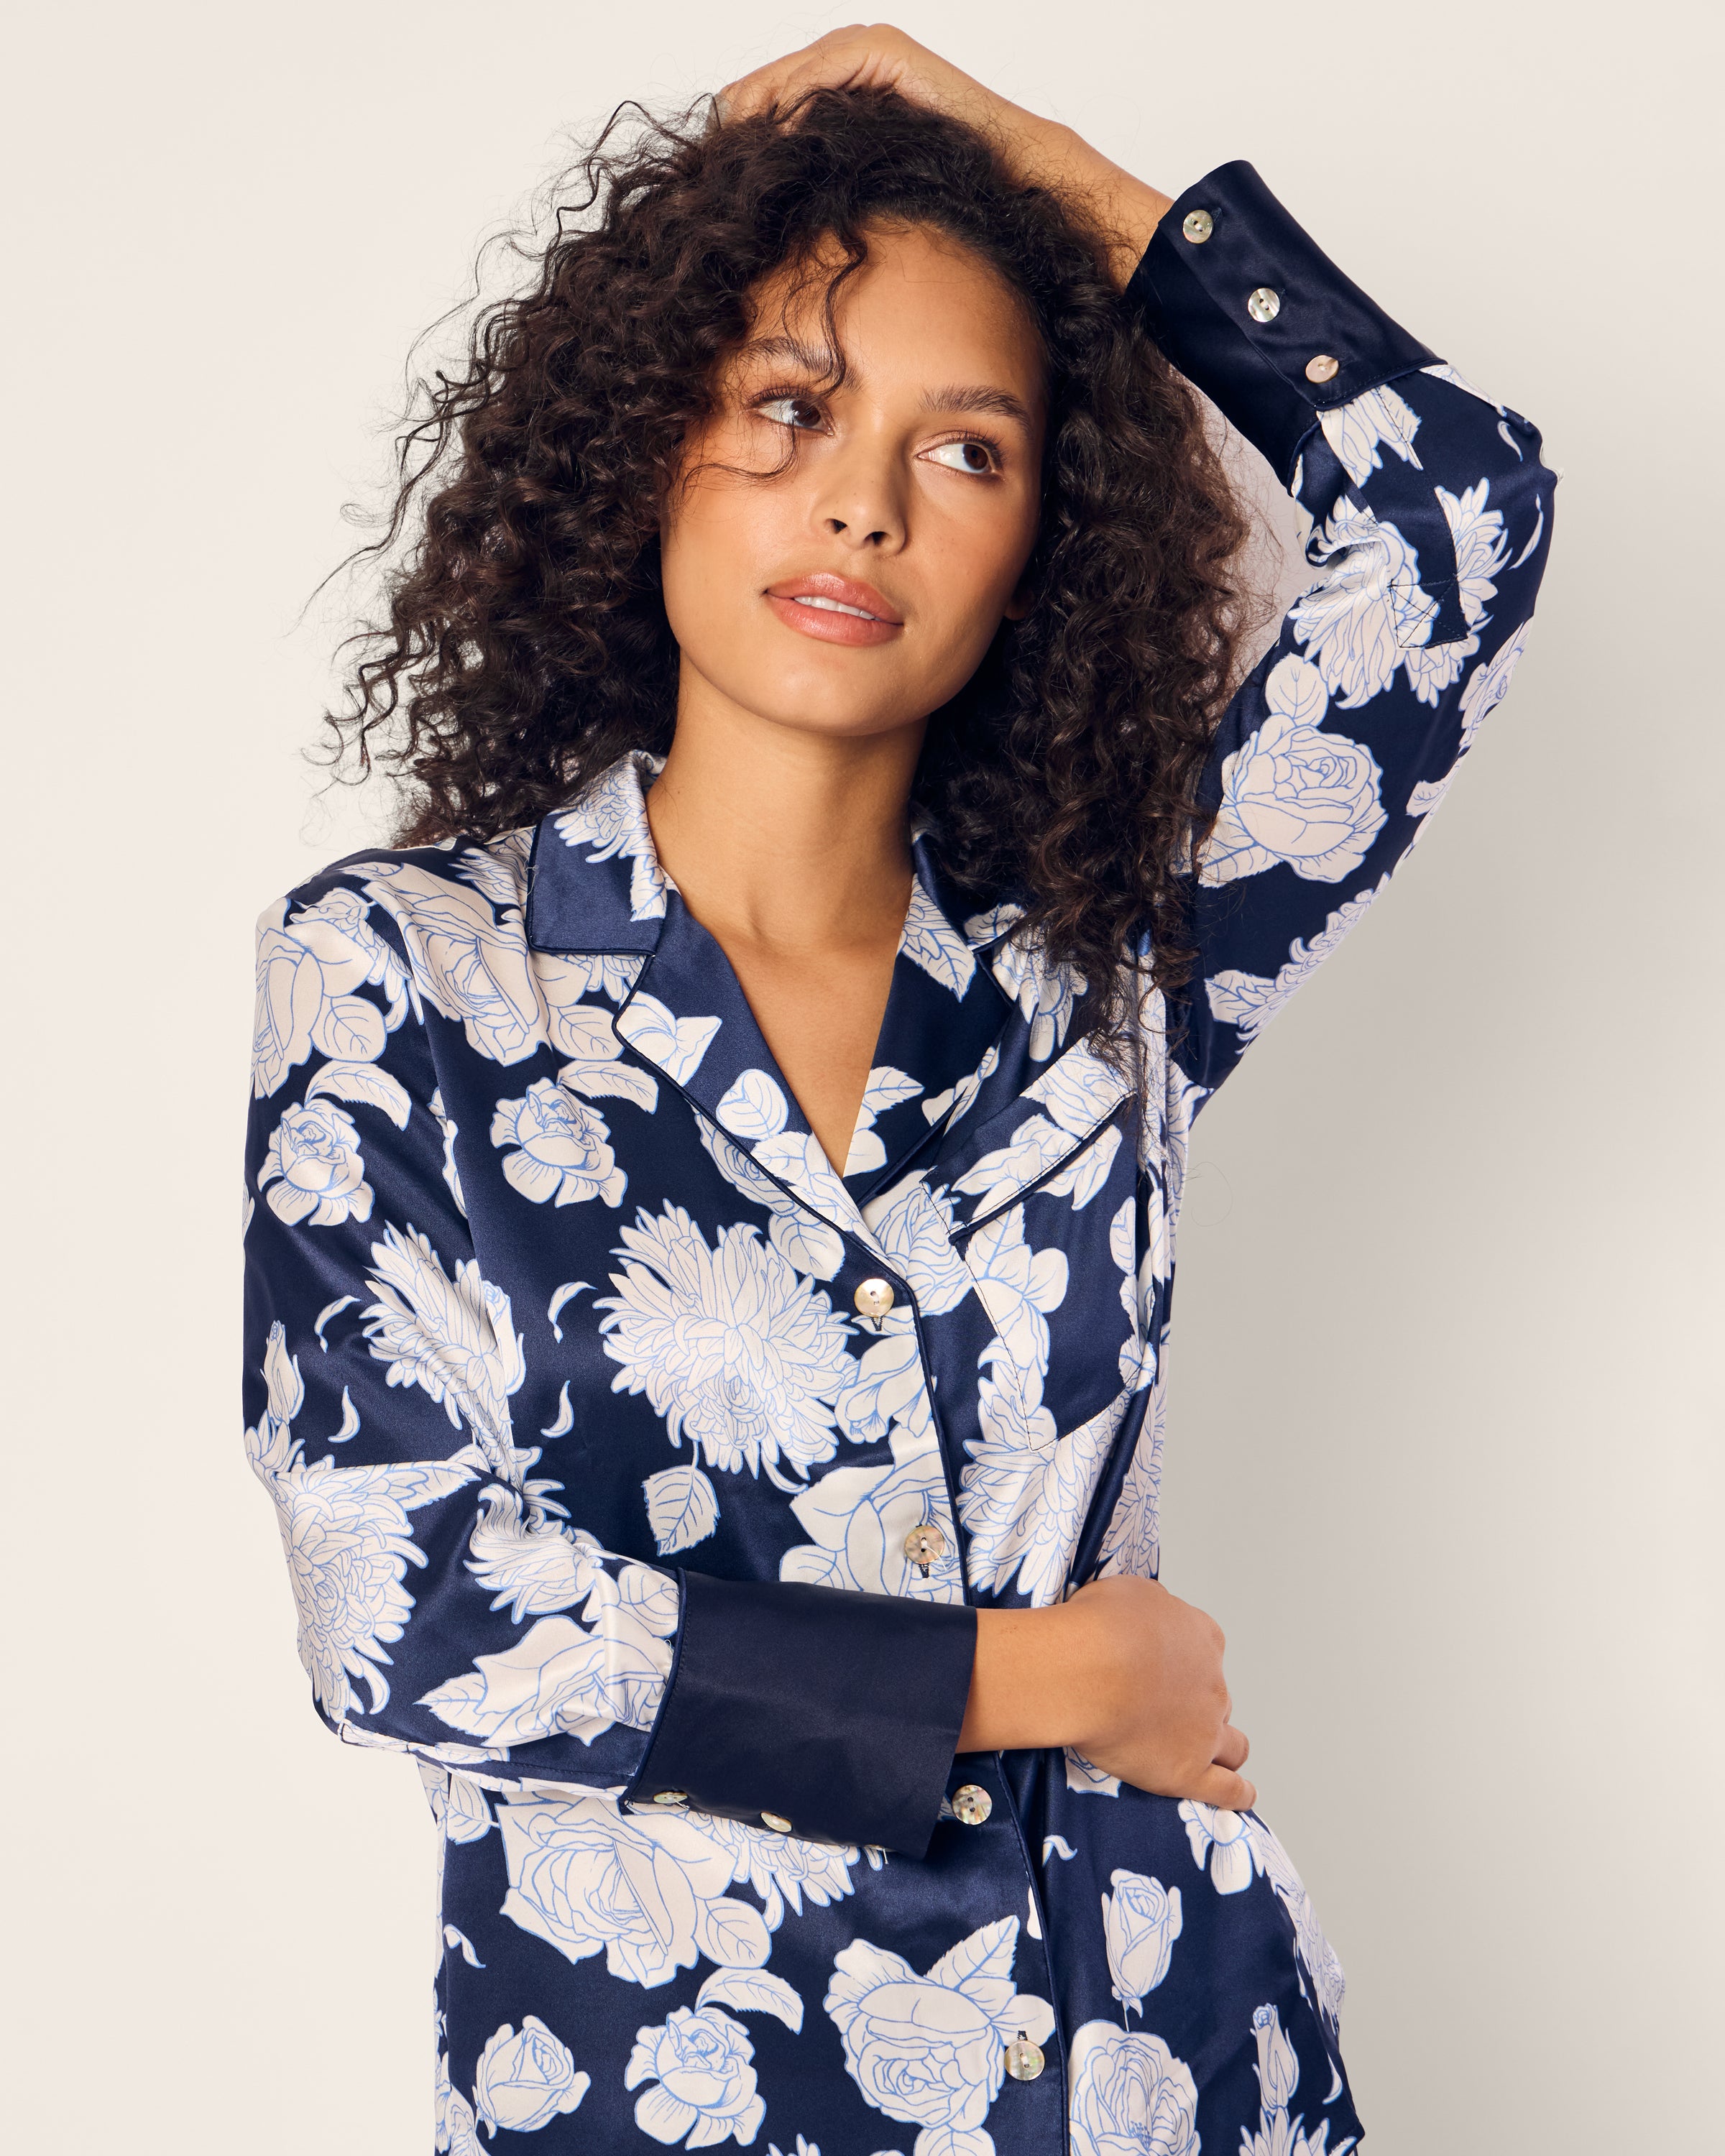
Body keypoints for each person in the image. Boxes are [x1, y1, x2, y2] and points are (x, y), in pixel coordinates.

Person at [243, 27, 1552, 2155]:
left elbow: (1454, 519)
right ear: (643, 442)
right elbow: (406, 1605)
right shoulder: (401, 970)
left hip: (1153, 2065)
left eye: (971, 448)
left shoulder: (1111, 962)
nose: (861, 494)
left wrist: (1006, 158)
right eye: (790, 402)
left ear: (1047, 537)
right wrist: (1037, 1683)